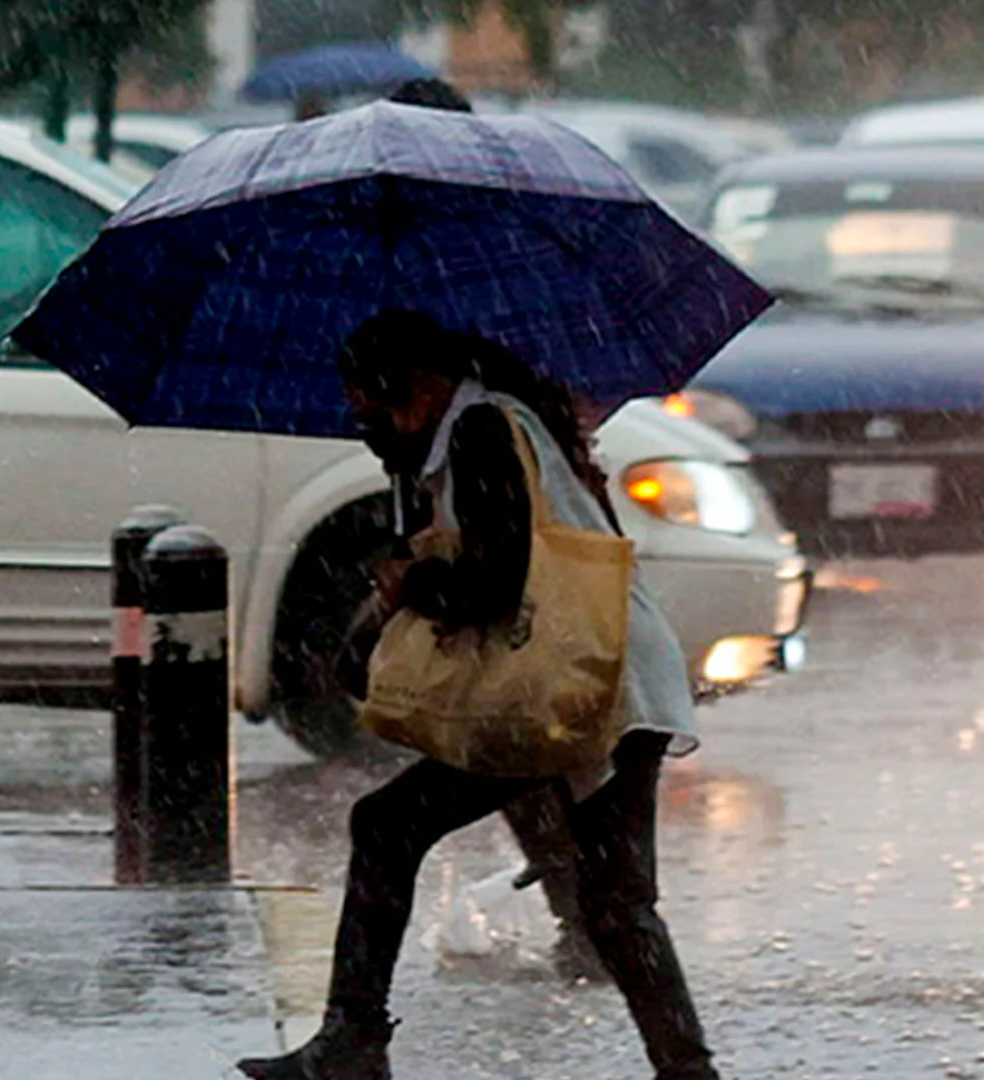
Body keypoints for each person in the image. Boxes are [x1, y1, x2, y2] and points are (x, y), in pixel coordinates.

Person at [236, 310, 720, 1080]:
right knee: (615, 899)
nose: (371, 424)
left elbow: (494, 583)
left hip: (582, 686)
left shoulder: (484, 431)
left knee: (395, 827)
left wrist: (414, 582)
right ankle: (688, 1072)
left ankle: (353, 1041)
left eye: (375, 406)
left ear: (420, 387)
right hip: (607, 678)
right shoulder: (503, 425)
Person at [379, 73, 608, 984]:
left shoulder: (486, 258)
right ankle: (598, 918)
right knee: (524, 715)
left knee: (534, 712)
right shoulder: (466, 253)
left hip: (506, 497)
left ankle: (599, 918)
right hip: (507, 492)